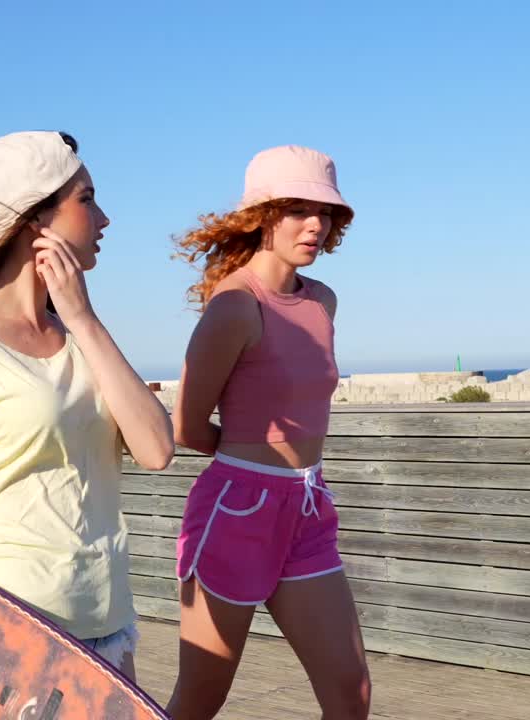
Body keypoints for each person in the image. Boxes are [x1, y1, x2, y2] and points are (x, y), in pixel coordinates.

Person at [0, 131, 173, 719]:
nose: (104, 217)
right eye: (87, 199)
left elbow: (156, 448)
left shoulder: (79, 338)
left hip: (109, 630)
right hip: (10, 635)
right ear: (34, 219)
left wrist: (83, 316)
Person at [168, 145, 370, 719]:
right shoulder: (235, 305)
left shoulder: (323, 302)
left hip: (308, 507)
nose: (316, 225)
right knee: (200, 701)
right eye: (299, 210)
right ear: (263, 215)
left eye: (326, 213)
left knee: (350, 695)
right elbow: (187, 425)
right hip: (236, 511)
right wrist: (246, 459)